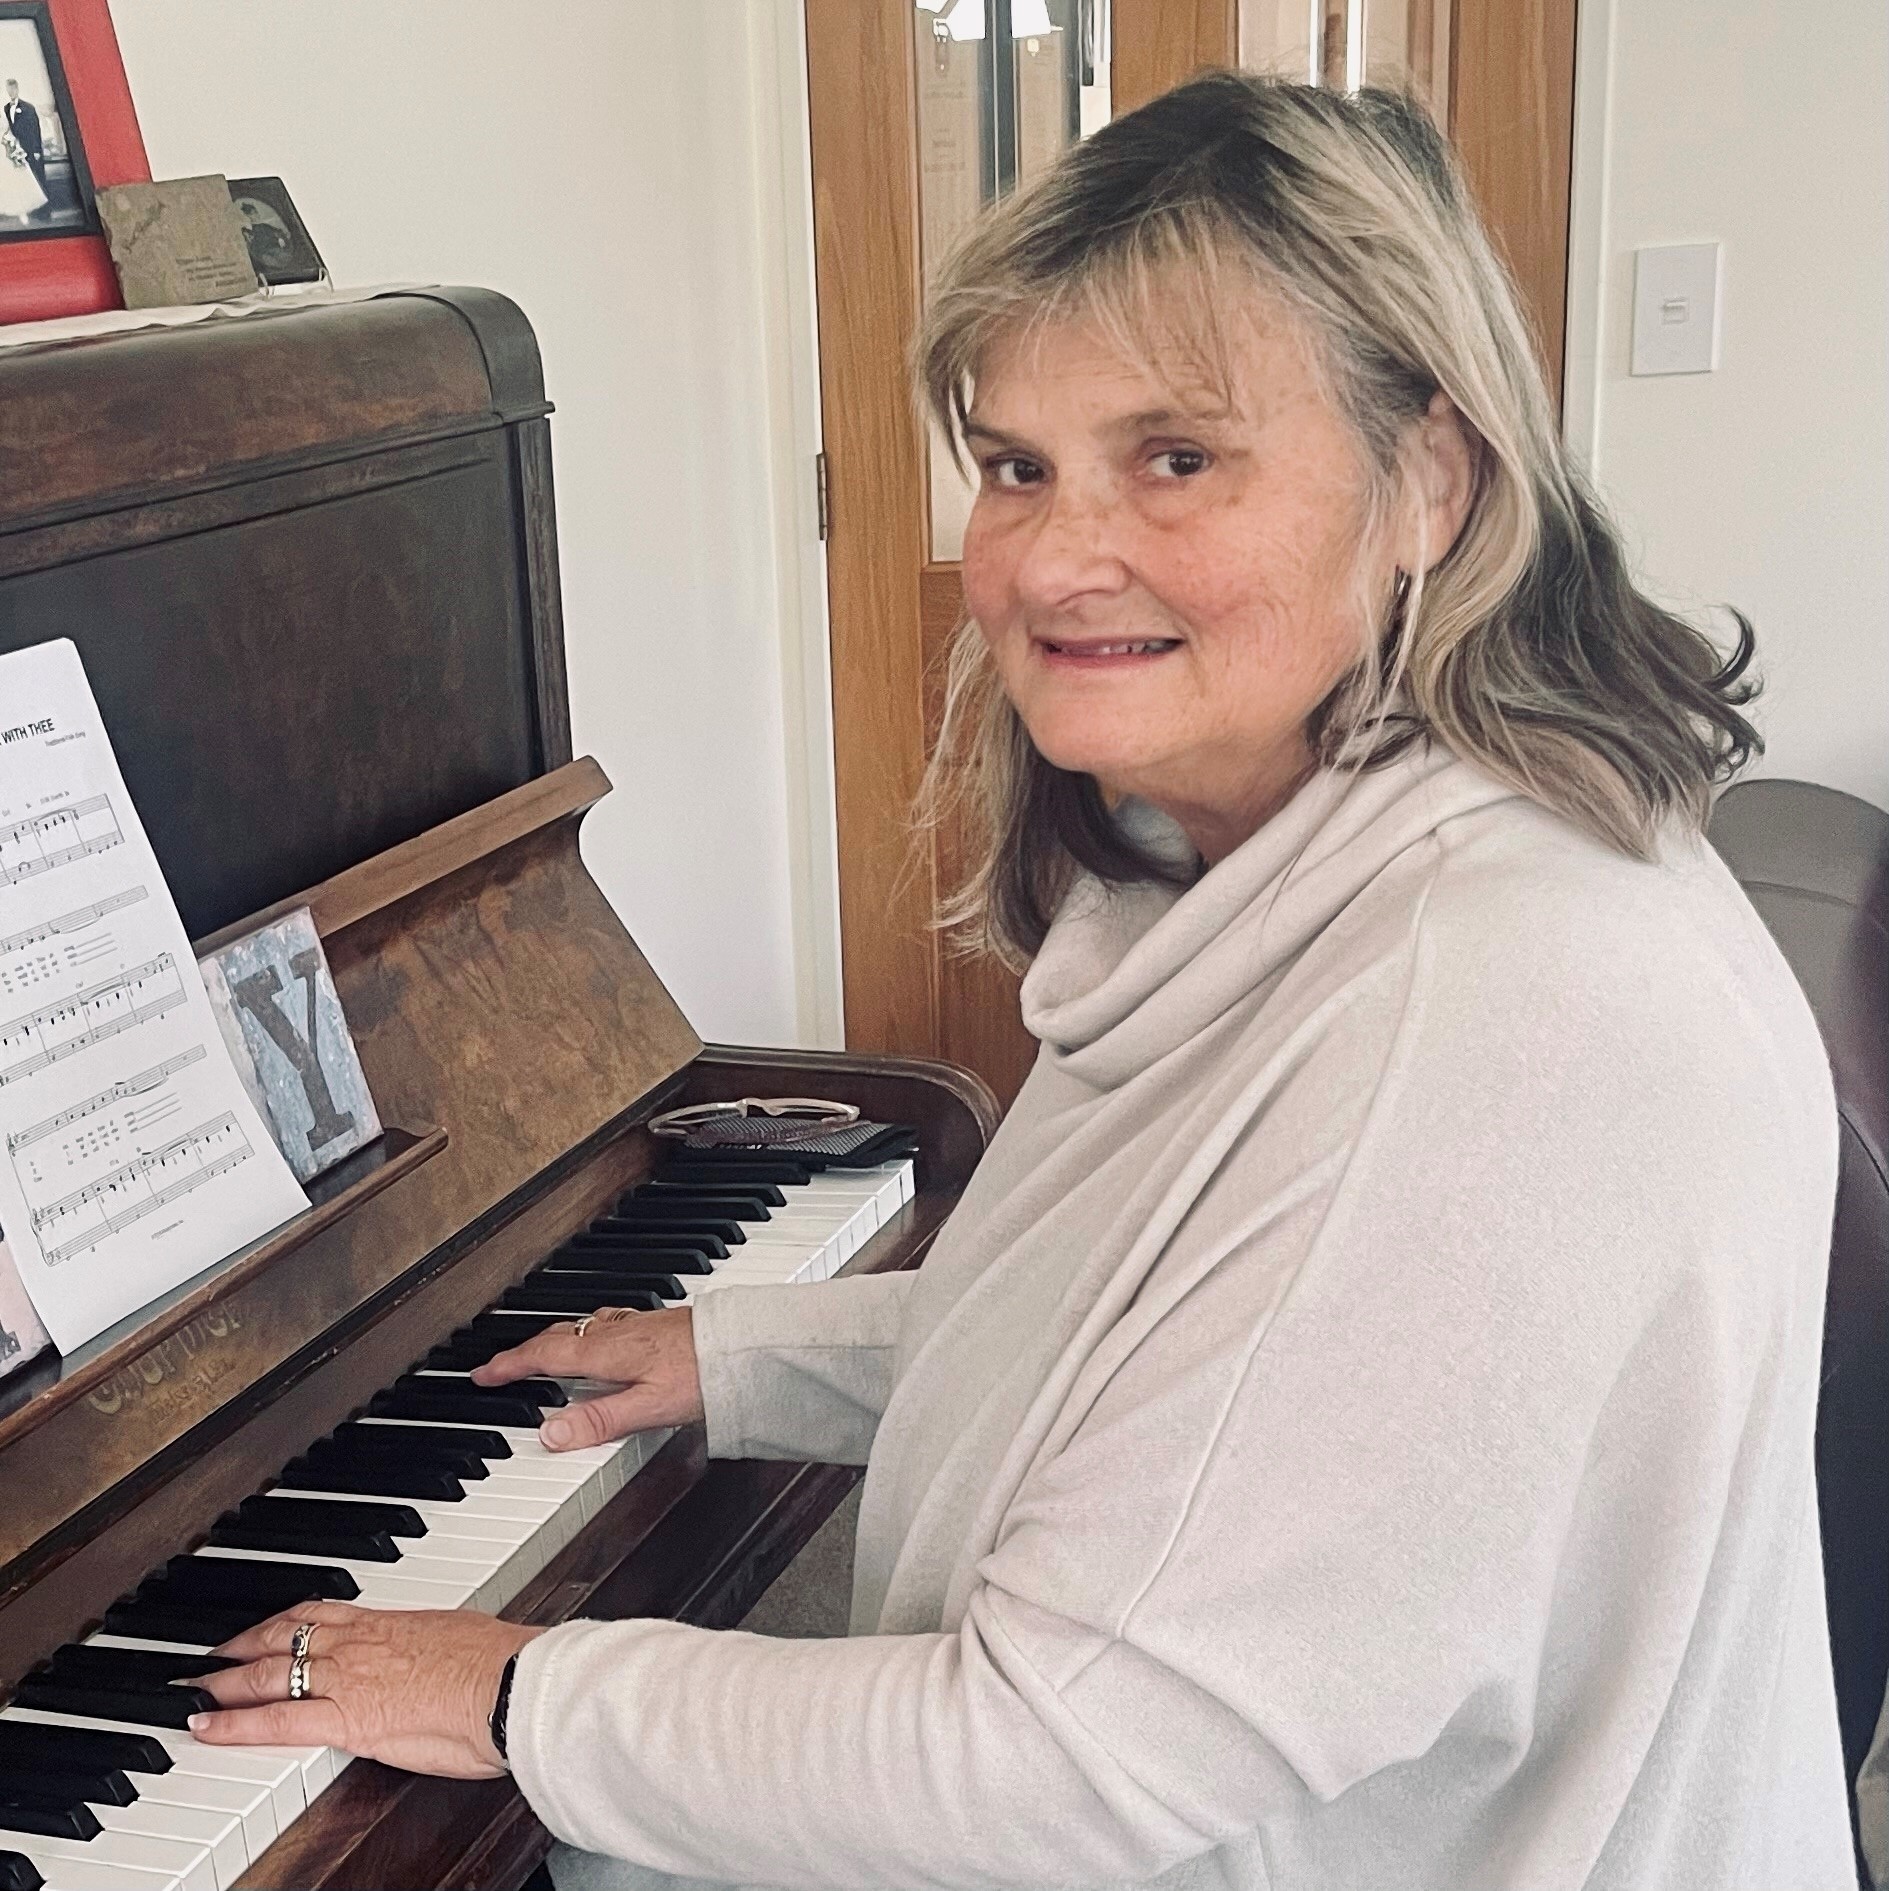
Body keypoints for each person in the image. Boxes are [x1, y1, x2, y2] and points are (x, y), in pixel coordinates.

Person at [190, 72, 1856, 1890]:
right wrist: (740, 1357)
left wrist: (519, 1694)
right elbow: (1182, 1356)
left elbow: (1046, 1762)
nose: (1054, 559)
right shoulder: (1281, 851)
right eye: (1011, 463)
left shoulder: (1490, 1011)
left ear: (1427, 483)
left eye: (1175, 456)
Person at [0, 82, 46, 224]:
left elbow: (8, 128)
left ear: (17, 89)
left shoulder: (27, 108)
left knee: (22, 178)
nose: (10, 92)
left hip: (21, 147)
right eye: (8, 90)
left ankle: (36, 213)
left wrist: (35, 149)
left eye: (12, 89)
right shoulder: (6, 108)